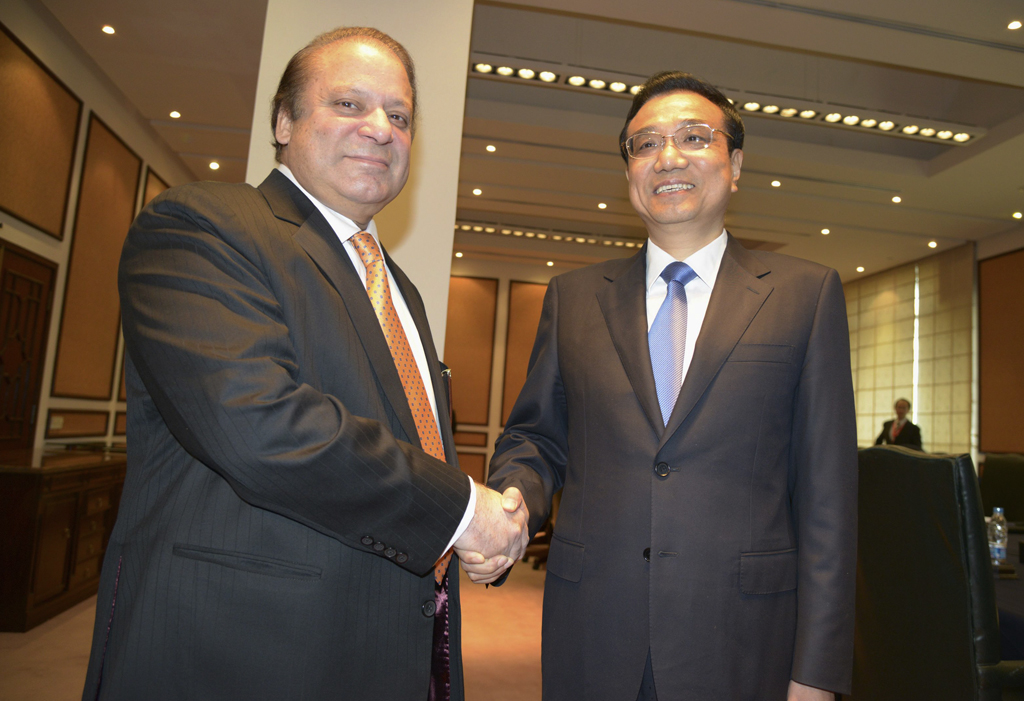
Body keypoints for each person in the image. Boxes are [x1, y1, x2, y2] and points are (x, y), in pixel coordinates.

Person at [81, 27, 527, 701]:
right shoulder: (202, 225)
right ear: (284, 122)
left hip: (387, 649)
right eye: (349, 104)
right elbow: (260, 424)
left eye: (400, 115)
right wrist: (465, 511)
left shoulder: (399, 288)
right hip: (243, 655)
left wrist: (476, 526)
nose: (380, 128)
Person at [484, 71, 857, 701]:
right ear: (629, 171)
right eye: (646, 144)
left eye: (694, 137)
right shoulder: (574, 298)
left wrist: (817, 671)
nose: (669, 157)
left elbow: (829, 500)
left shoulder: (805, 295)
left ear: (734, 164)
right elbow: (536, 438)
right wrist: (514, 500)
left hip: (743, 639)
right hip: (593, 628)